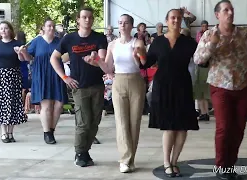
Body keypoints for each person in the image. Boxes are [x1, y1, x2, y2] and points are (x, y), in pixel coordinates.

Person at [193, 1, 247, 179]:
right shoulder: (209, 34)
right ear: (217, 15)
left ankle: (230, 165)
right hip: (220, 86)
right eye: (226, 10)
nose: (230, 13)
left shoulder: (244, 33)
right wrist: (212, 45)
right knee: (224, 127)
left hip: (242, 85)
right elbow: (198, 60)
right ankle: (221, 166)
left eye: (231, 9)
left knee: (239, 127)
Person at [85, 14, 146, 173]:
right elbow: (108, 68)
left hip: (135, 82)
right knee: (121, 122)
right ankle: (125, 159)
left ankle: (130, 159)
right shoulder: (112, 44)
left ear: (131, 26)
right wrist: (97, 61)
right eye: (120, 23)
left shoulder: (137, 42)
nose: (123, 25)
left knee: (134, 122)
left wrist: (138, 54)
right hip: (118, 81)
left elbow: (142, 62)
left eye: (126, 23)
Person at [143, 9, 199, 177]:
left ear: (181, 20)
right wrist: (140, 55)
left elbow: (202, 61)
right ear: (167, 21)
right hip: (163, 86)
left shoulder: (189, 42)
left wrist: (209, 46)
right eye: (172, 18)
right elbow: (148, 63)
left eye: (178, 18)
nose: (176, 20)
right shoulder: (158, 42)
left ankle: (175, 161)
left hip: (183, 85)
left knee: (183, 127)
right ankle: (167, 162)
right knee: (168, 126)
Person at [50, 7, 108, 167]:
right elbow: (54, 58)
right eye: (84, 17)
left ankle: (85, 150)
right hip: (79, 86)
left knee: (94, 121)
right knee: (83, 121)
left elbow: (102, 57)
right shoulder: (69, 39)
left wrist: (95, 58)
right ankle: (79, 153)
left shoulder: (99, 38)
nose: (87, 20)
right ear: (78, 20)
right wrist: (65, 77)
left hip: (97, 85)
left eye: (90, 17)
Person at [20, 18, 68, 144]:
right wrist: (23, 52)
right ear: (43, 28)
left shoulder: (60, 42)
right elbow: (28, 58)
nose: (51, 28)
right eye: (48, 26)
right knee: (46, 105)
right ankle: (47, 133)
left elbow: (66, 57)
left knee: (59, 104)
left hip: (57, 74)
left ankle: (51, 129)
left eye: (53, 26)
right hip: (41, 75)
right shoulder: (36, 42)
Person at [194, 20, 210, 121]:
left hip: (205, 66)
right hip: (200, 66)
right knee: (200, 93)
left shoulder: (209, 35)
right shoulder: (198, 35)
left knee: (203, 91)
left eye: (205, 26)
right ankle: (204, 113)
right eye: (202, 26)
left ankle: (205, 112)